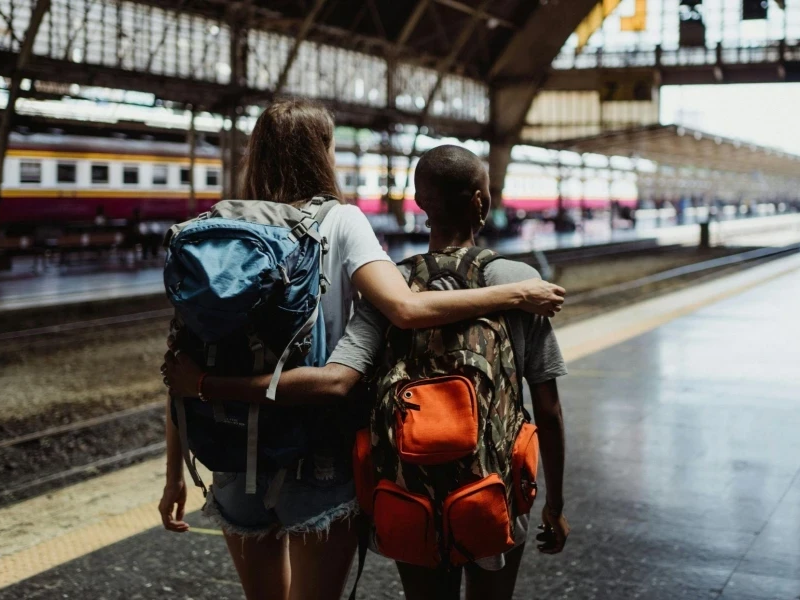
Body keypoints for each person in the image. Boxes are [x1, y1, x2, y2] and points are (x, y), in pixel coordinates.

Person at [158, 102, 567, 600]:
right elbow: (404, 310)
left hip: (229, 456)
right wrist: (517, 295)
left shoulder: (213, 232)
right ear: (322, 154)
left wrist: (174, 474)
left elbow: (181, 365)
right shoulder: (340, 220)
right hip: (316, 456)